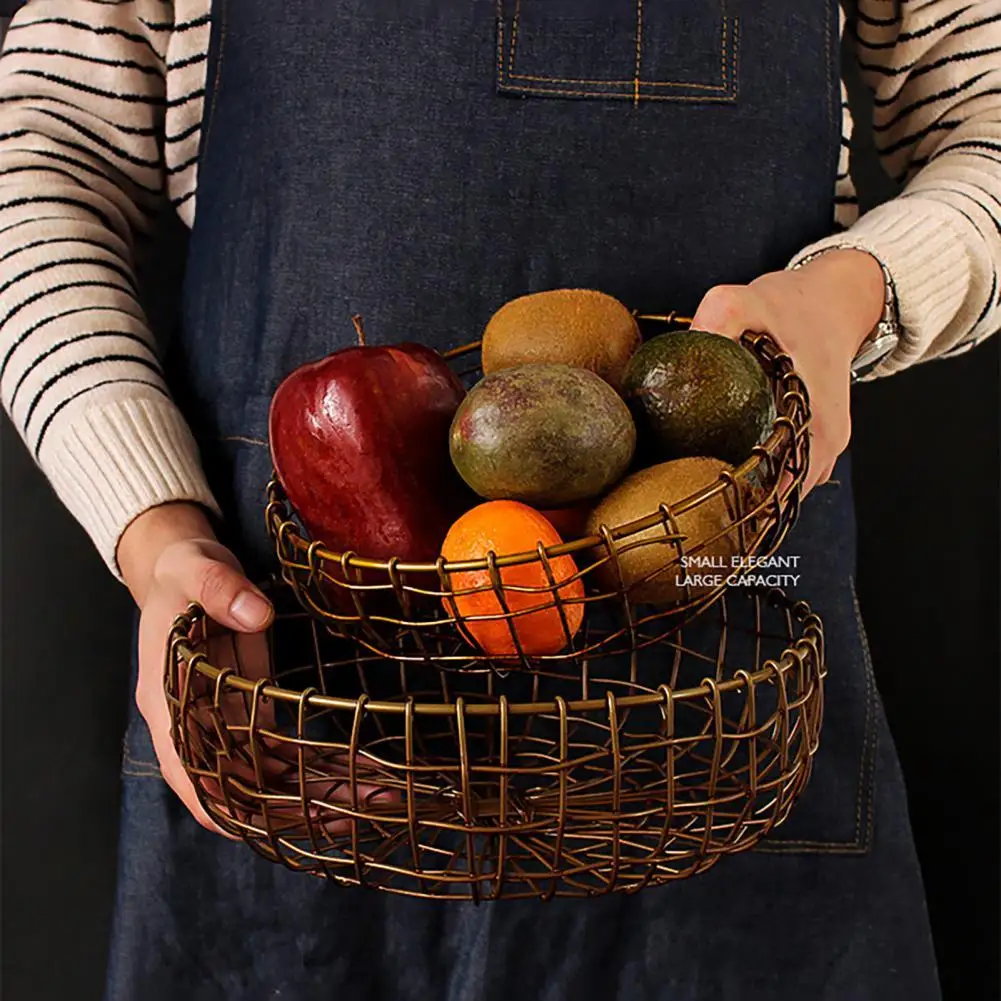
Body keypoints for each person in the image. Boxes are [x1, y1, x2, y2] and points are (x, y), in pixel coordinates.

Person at [1, 1, 998, 998]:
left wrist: (847, 294)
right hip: (289, 735)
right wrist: (156, 530)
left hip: (720, 726)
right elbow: (35, 158)